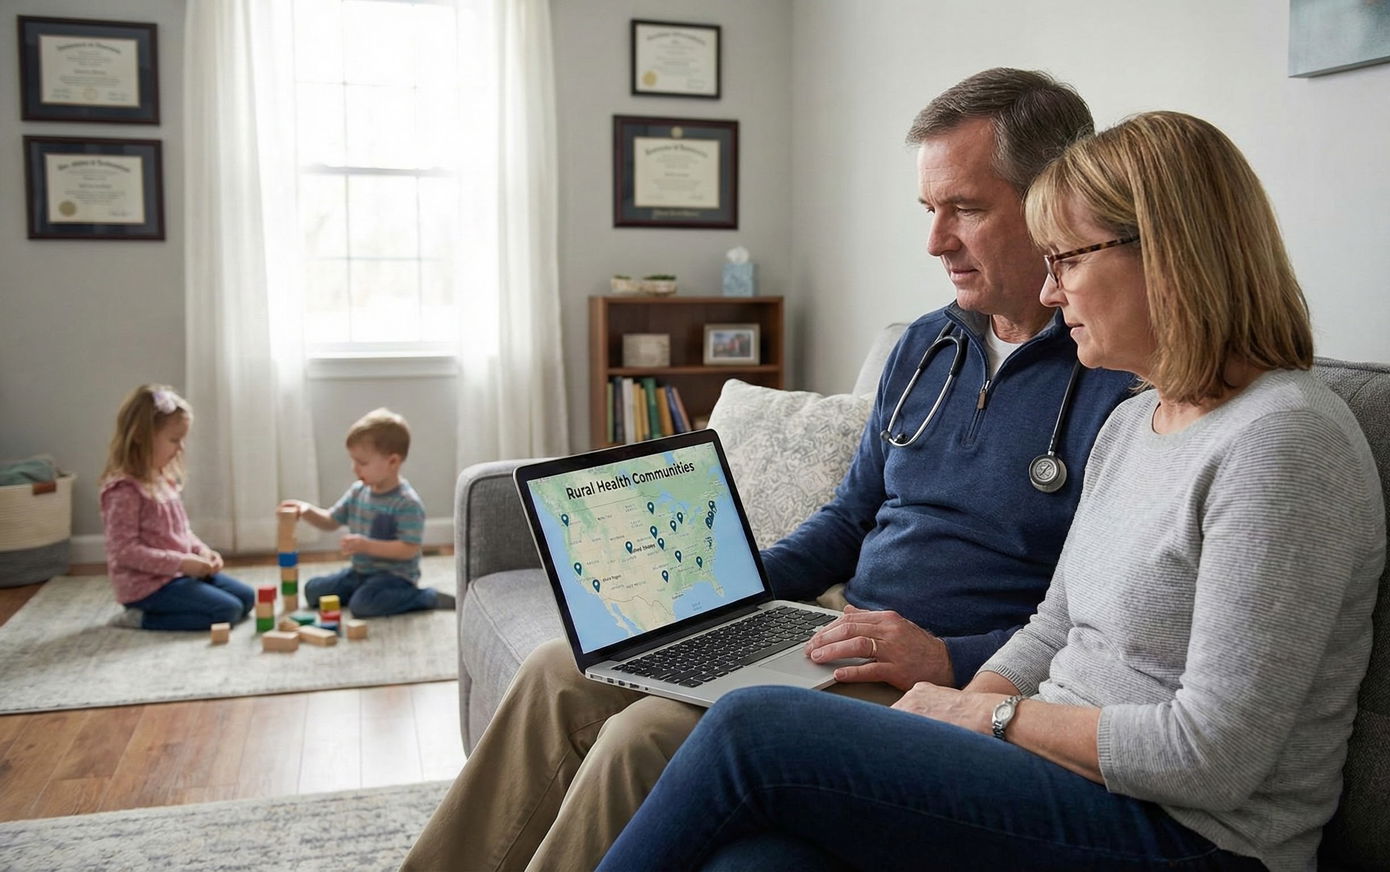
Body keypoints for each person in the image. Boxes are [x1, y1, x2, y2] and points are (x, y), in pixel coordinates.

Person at [598, 111, 1388, 872]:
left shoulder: (1283, 442)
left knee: (753, 730)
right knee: (757, 860)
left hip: (1190, 837)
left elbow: (1211, 759)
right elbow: (1052, 628)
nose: (1051, 294)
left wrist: (988, 716)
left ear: (1170, 256)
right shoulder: (1138, 418)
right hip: (1055, 780)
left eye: (1068, 260)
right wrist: (947, 731)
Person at [403, 68, 1137, 872]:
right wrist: (722, 595)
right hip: (833, 633)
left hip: (938, 677)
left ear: (1051, 201)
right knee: (557, 668)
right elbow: (850, 519)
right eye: (930, 211)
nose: (935, 241)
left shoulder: (1122, 378)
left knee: (643, 733)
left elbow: (1092, 630)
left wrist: (947, 658)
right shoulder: (925, 344)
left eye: (965, 208)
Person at [100, 384, 254, 631]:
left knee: (247, 598)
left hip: (178, 575)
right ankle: (140, 618)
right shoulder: (124, 491)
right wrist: (182, 563)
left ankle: (186, 592)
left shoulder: (164, 479)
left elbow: (182, 532)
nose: (180, 448)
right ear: (140, 435)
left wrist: (202, 552)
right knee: (227, 610)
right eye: (174, 440)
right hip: (148, 586)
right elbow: (125, 551)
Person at [278, 408, 454, 617]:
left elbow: (408, 549)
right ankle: (358, 592)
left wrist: (366, 545)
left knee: (362, 606)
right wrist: (305, 510)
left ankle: (425, 597)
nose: (354, 468)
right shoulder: (358, 492)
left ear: (392, 462)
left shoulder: (407, 503)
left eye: (362, 463)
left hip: (393, 577)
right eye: (353, 461)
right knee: (313, 591)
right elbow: (330, 521)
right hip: (360, 573)